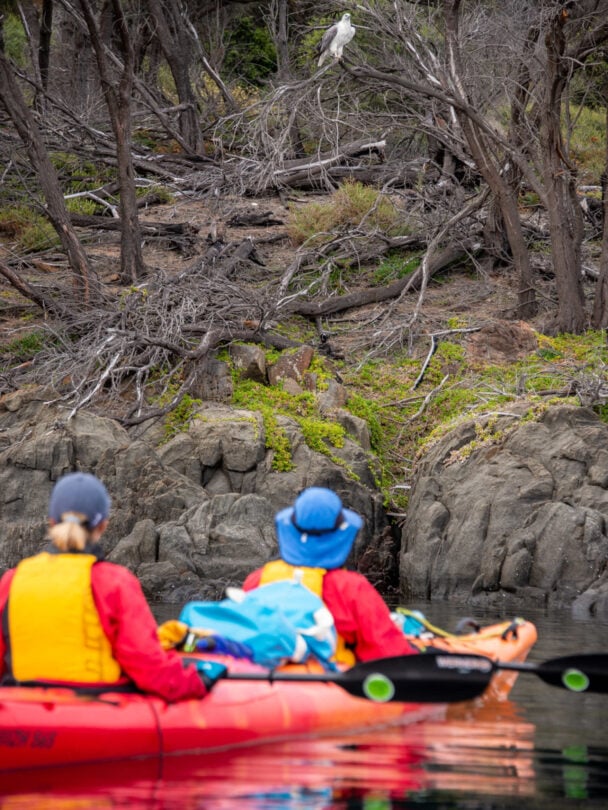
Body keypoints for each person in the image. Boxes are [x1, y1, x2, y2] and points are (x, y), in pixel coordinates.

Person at [0, 472, 224, 701]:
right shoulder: (114, 582)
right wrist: (199, 682)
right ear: (103, 525)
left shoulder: (11, 581)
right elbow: (151, 671)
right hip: (97, 716)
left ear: (51, 521)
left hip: (24, 714)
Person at [242, 487, 418, 665]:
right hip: (332, 680)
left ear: (291, 533)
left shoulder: (257, 580)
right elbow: (389, 654)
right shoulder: (351, 588)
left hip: (264, 679)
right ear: (340, 537)